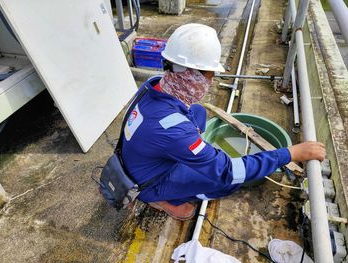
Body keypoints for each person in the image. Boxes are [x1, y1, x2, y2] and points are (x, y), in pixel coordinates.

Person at [122, 23, 326, 220]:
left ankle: (190, 162)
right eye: (211, 74)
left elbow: (177, 128)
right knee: (227, 182)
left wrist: (194, 148)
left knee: (198, 112)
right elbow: (228, 171)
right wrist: (290, 153)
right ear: (194, 75)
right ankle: (163, 200)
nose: (212, 81)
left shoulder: (153, 84)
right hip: (148, 181)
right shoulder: (174, 130)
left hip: (139, 159)